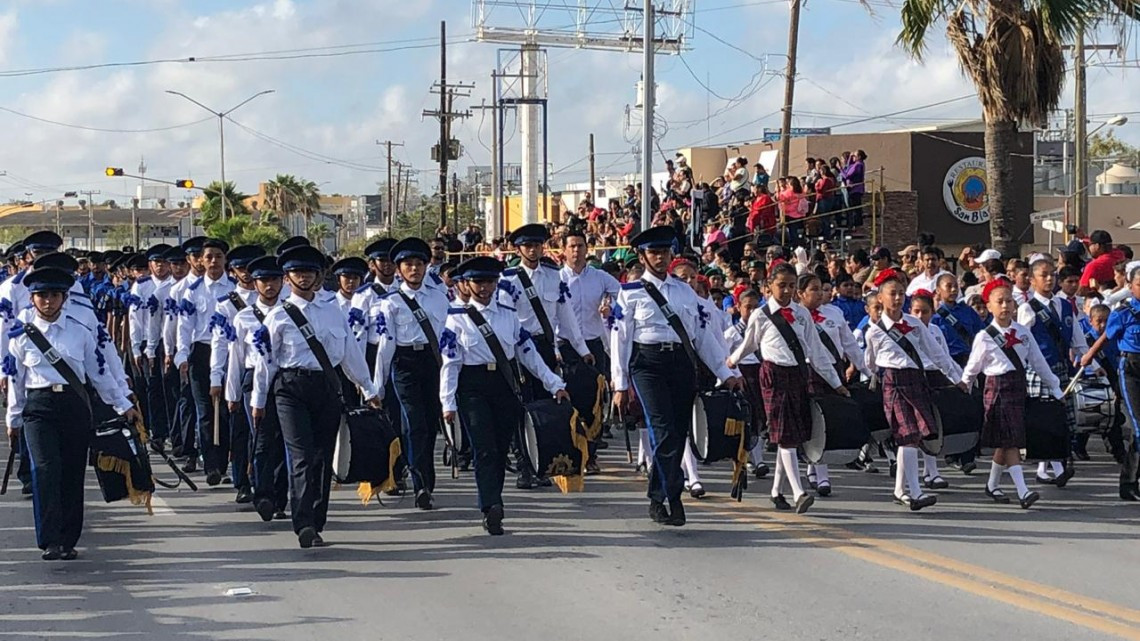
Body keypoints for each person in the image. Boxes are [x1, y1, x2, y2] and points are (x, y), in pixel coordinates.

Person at [5, 267, 141, 560]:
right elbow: (15, 380)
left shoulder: (79, 331)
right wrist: (12, 419)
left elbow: (99, 373)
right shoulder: (21, 334)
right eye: (41, 295)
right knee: (44, 468)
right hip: (38, 407)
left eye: (54, 295)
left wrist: (122, 403)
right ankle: (49, 539)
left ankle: (68, 538)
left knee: (71, 471)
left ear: (64, 297)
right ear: (31, 298)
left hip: (74, 406)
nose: (48, 301)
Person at [251, 245, 381, 549]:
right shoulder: (278, 316)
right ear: (287, 278)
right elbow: (265, 361)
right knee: (301, 456)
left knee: (323, 457)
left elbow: (349, 353)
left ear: (320, 275)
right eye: (297, 273)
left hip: (328, 387)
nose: (304, 277)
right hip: (290, 388)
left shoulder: (334, 311)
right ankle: (303, 522)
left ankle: (317, 520)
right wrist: (258, 401)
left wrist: (369, 388)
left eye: (310, 272)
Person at [611, 226, 742, 526]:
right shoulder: (629, 294)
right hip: (647, 364)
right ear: (642, 257)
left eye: (664, 252)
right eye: (653, 253)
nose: (659, 258)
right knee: (662, 428)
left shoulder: (685, 291)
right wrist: (620, 384)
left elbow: (703, 336)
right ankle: (673, 494)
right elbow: (620, 339)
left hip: (681, 362)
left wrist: (726, 371)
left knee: (678, 431)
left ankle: (658, 494)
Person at [439, 256, 569, 535]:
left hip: (505, 384)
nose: (485, 288)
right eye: (478, 282)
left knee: (500, 448)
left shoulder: (508, 315)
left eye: (490, 282)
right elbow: (450, 363)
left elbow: (528, 353)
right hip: (472, 387)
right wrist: (447, 401)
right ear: (466, 284)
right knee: (484, 448)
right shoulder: (456, 319)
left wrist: (553, 382)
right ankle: (491, 505)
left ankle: (494, 497)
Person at [864, 269, 965, 511]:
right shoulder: (875, 331)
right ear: (880, 297)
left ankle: (900, 490)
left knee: (913, 436)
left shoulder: (915, 324)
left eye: (901, 293)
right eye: (892, 294)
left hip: (915, 379)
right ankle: (915, 491)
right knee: (907, 434)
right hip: (893, 381)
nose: (897, 298)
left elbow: (935, 352)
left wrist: (957, 376)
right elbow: (869, 362)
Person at [499, 223, 592, 488]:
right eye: (528, 245)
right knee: (521, 407)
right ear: (518, 248)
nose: (533, 249)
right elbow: (506, 321)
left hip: (546, 348)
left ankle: (541, 463)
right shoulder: (507, 280)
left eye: (538, 245)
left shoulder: (554, 276)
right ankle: (523, 466)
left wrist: (582, 349)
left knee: (544, 407)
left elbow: (567, 317)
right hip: (517, 350)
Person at [960, 279, 1056, 509]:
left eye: (1009, 301)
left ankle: (992, 484)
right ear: (989, 306)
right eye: (999, 301)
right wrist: (964, 385)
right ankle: (1023, 491)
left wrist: (1055, 386)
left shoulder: (1022, 332)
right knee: (1011, 440)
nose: (1005, 306)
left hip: (1018, 387)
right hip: (997, 388)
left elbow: (1038, 361)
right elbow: (973, 367)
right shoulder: (984, 336)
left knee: (1005, 441)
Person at [373, 238, 450, 510]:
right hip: (404, 363)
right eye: (408, 265)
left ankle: (427, 480)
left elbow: (447, 336)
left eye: (419, 264)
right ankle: (420, 485)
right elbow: (385, 344)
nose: (414, 269)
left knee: (430, 425)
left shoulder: (439, 297)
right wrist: (378, 385)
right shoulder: (390, 302)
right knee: (414, 421)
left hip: (432, 362)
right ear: (398, 269)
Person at [226, 255, 289, 522]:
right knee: (262, 439)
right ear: (255, 284)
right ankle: (263, 493)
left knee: (286, 440)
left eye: (274, 279)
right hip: (254, 379)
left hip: (285, 379)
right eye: (263, 280)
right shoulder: (244, 317)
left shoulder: (290, 312)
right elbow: (236, 355)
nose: (269, 285)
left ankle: (280, 497)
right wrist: (232, 393)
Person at [1017, 259, 1087, 487]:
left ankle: (1048, 468)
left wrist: (1088, 361)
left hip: (1061, 368)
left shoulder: (1064, 305)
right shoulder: (1028, 309)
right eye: (1044, 275)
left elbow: (1077, 337)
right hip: (1039, 369)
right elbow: (1021, 342)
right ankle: (1055, 468)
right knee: (1046, 417)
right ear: (1032, 280)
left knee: (1060, 418)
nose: (1049, 279)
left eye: (1052, 275)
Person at [798, 272, 867, 496]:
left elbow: (849, 343)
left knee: (829, 420)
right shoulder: (794, 315)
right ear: (801, 293)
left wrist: (867, 369)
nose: (820, 294)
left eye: (822, 289)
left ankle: (818, 470)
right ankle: (817, 471)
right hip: (807, 370)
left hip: (833, 370)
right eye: (814, 289)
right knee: (812, 419)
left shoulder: (834, 313)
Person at [174, 238, 234, 487]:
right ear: (200, 260)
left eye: (218, 256)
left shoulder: (233, 289)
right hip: (200, 353)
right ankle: (210, 464)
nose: (213, 261)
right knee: (205, 411)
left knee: (227, 410)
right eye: (208, 257)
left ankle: (223, 462)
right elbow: (184, 325)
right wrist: (181, 354)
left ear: (225, 260)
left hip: (229, 352)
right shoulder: (193, 290)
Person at [560, 230, 621, 471]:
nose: (576, 251)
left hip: (594, 345)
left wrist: (611, 306)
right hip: (566, 347)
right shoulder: (557, 279)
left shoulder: (600, 277)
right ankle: (573, 453)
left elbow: (623, 296)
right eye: (572, 246)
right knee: (570, 403)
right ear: (564, 250)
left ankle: (591, 455)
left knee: (594, 403)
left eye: (581, 246)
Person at [908, 289, 963, 489]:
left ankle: (930, 470)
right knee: (923, 425)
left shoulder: (936, 331)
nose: (920, 316)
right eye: (916, 311)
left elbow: (944, 356)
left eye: (925, 312)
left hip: (935, 375)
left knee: (935, 424)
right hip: (916, 375)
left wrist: (958, 377)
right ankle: (930, 471)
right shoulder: (907, 330)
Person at [931, 272, 986, 473]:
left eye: (955, 286)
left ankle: (969, 454)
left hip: (969, 361)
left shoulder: (968, 312)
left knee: (972, 406)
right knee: (953, 408)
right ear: (938, 290)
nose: (953, 290)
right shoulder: (936, 318)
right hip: (948, 363)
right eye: (948, 286)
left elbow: (981, 334)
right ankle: (952, 452)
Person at [1080, 230, 1126, 295]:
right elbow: (1099, 255)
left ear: (1097, 246)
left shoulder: (1094, 266)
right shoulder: (1120, 255)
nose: (1089, 247)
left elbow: (1081, 290)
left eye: (1090, 244)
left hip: (1101, 299)